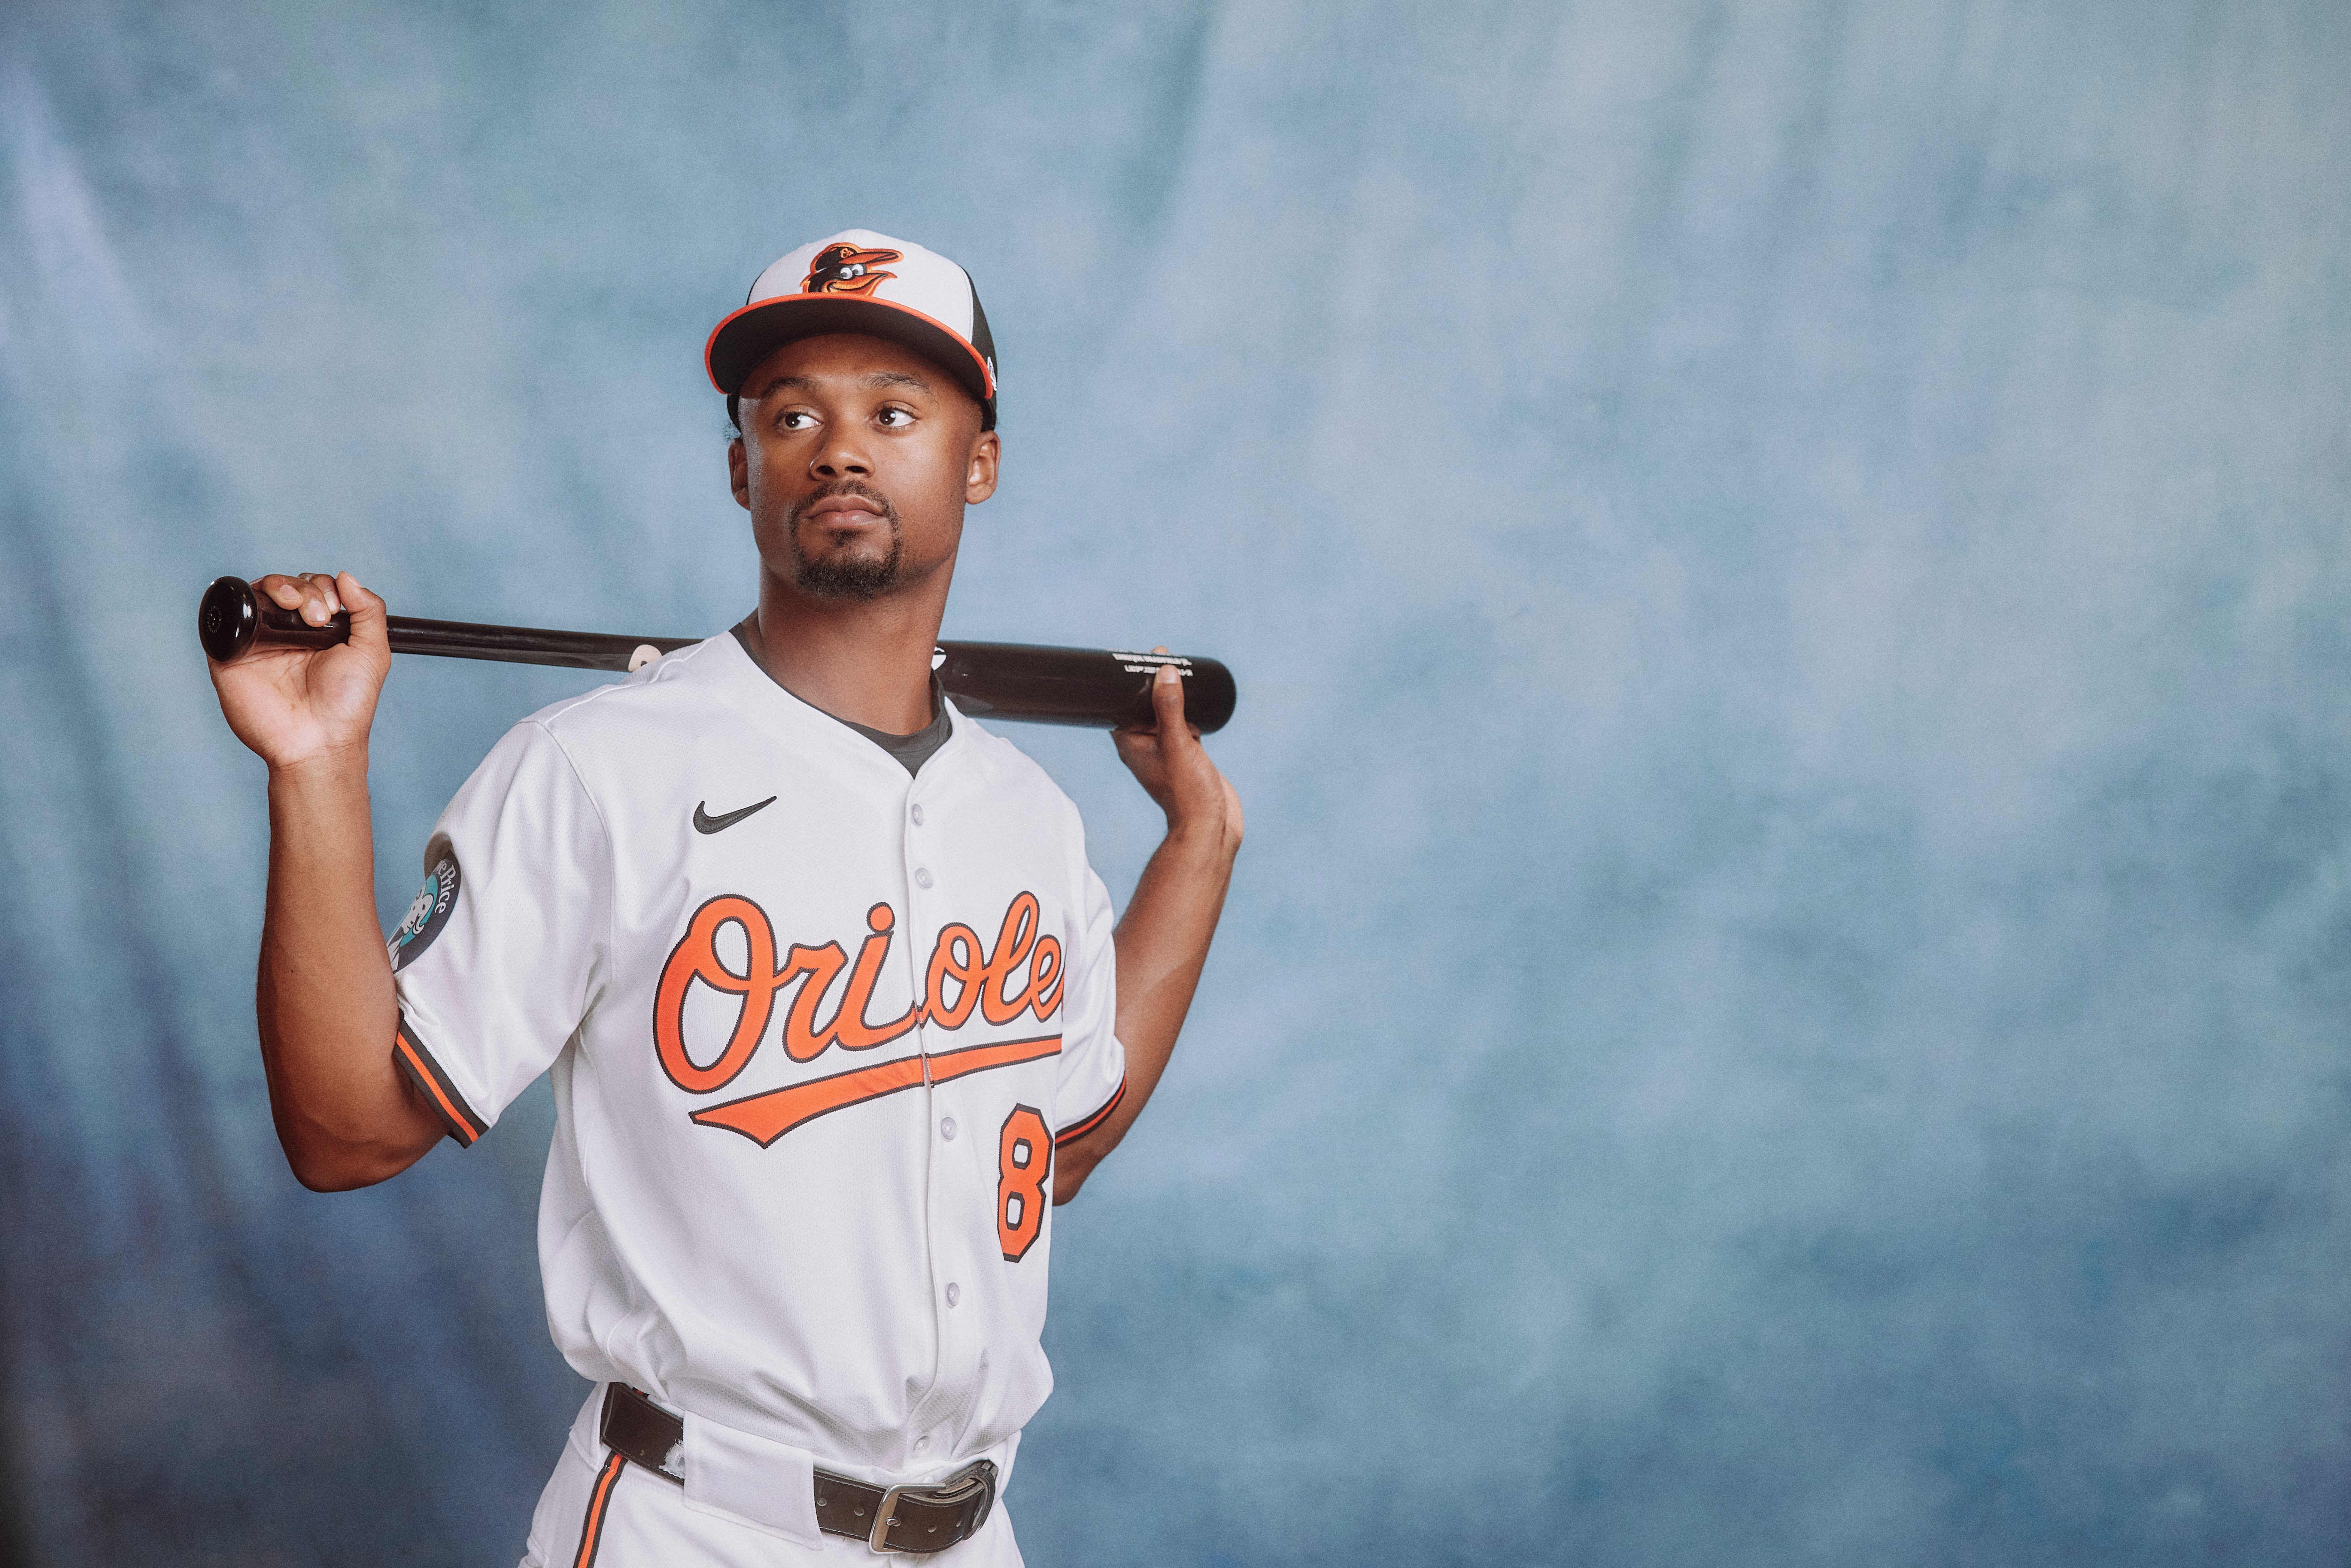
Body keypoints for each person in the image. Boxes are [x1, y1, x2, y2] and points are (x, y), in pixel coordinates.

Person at [205, 230, 1243, 1565]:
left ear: (978, 463)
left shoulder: (1030, 822)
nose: (840, 448)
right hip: (690, 1524)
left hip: (975, 1533)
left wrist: (1197, 849)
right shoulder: (597, 769)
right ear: (741, 467)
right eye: (792, 414)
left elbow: (1058, 1146)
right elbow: (346, 1132)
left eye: (895, 411)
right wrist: (315, 765)